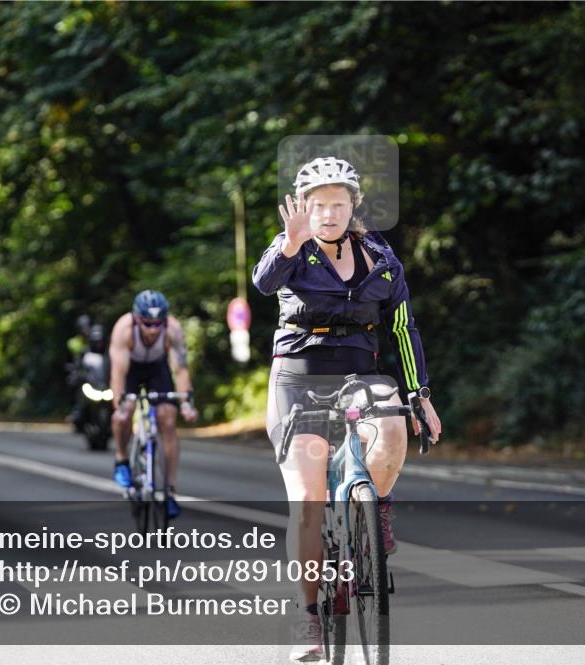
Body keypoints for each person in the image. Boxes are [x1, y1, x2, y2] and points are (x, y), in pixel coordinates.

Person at [252, 156, 442, 661]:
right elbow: (264, 282)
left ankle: (372, 510)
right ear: (304, 208)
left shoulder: (380, 257)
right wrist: (289, 243)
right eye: (318, 205)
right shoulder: (291, 247)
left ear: (353, 205)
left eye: (338, 204)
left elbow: (402, 328)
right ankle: (307, 617)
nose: (329, 214)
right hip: (297, 377)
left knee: (393, 423)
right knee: (310, 497)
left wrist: (420, 394)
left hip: (360, 373)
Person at [108, 290, 197, 518]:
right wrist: (119, 405)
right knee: (125, 412)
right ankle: (121, 460)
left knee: (167, 416)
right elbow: (118, 373)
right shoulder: (124, 329)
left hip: (157, 368)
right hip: (131, 368)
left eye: (158, 323)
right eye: (148, 324)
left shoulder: (173, 329)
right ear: (138, 319)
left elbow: (180, 368)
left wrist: (186, 403)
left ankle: (169, 490)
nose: (153, 329)